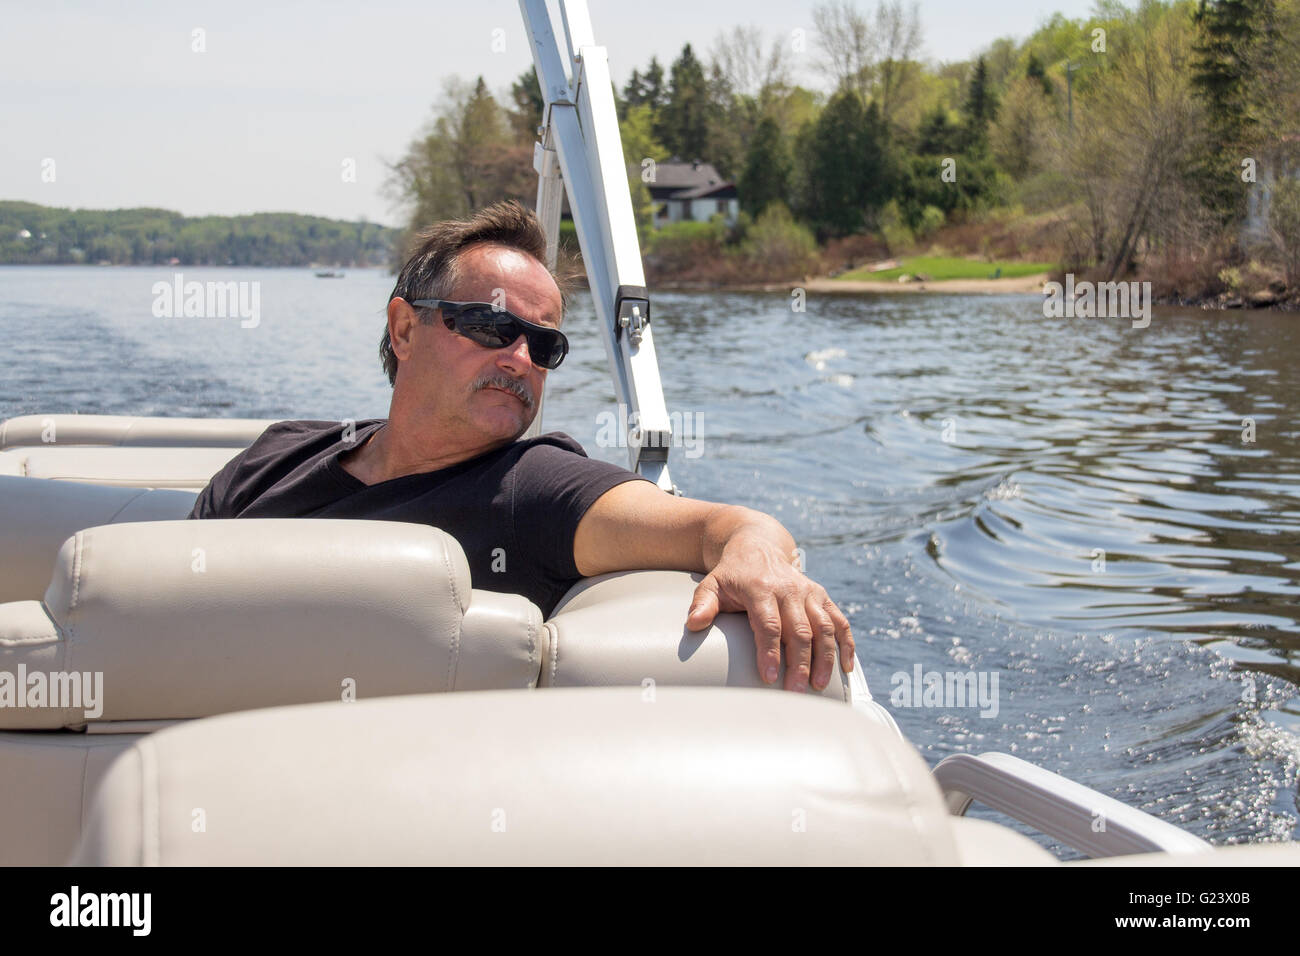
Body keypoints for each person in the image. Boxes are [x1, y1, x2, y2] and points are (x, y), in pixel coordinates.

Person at [190, 200, 854, 693]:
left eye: (543, 345)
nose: (520, 359)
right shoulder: (276, 455)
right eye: (490, 325)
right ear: (404, 329)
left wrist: (760, 557)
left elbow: (726, 526)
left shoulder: (533, 490)